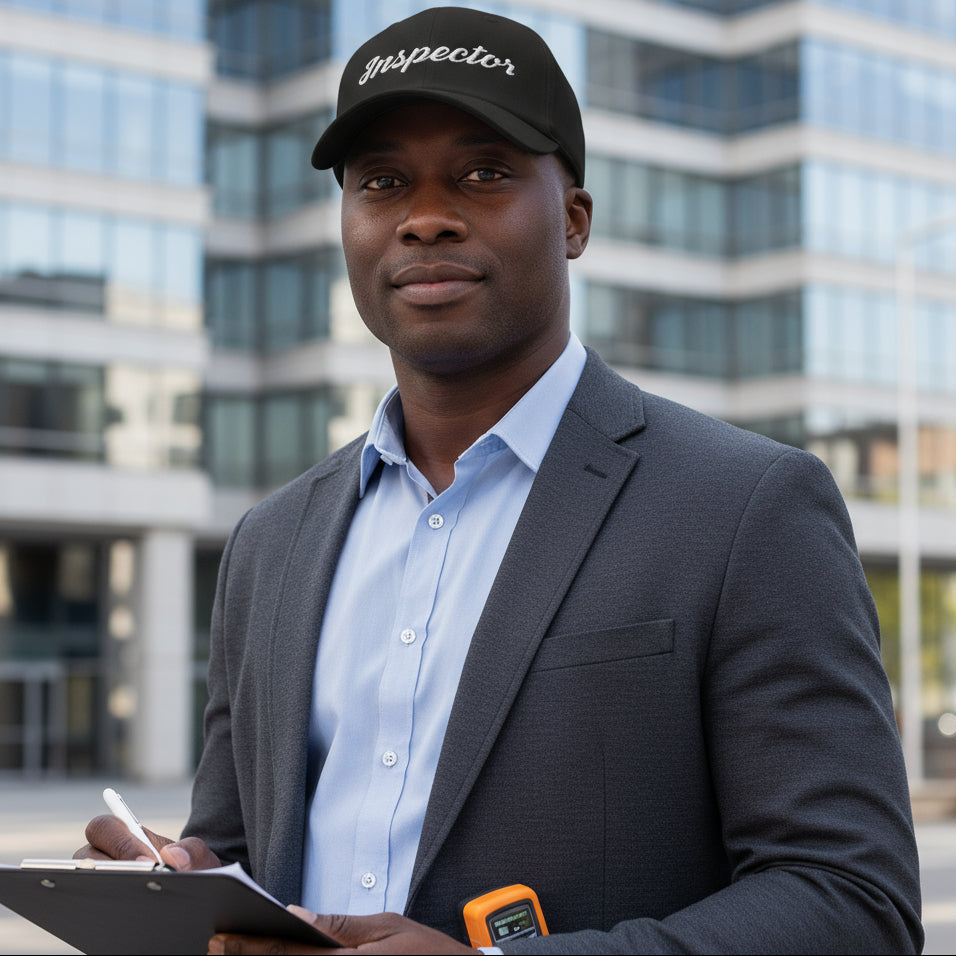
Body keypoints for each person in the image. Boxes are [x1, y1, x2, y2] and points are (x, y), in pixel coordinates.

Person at [78, 7, 923, 954]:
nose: (425, 215)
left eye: (484, 173)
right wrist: (186, 881)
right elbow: (243, 847)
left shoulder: (747, 508)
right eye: (382, 182)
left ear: (573, 219)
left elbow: (853, 902)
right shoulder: (270, 542)